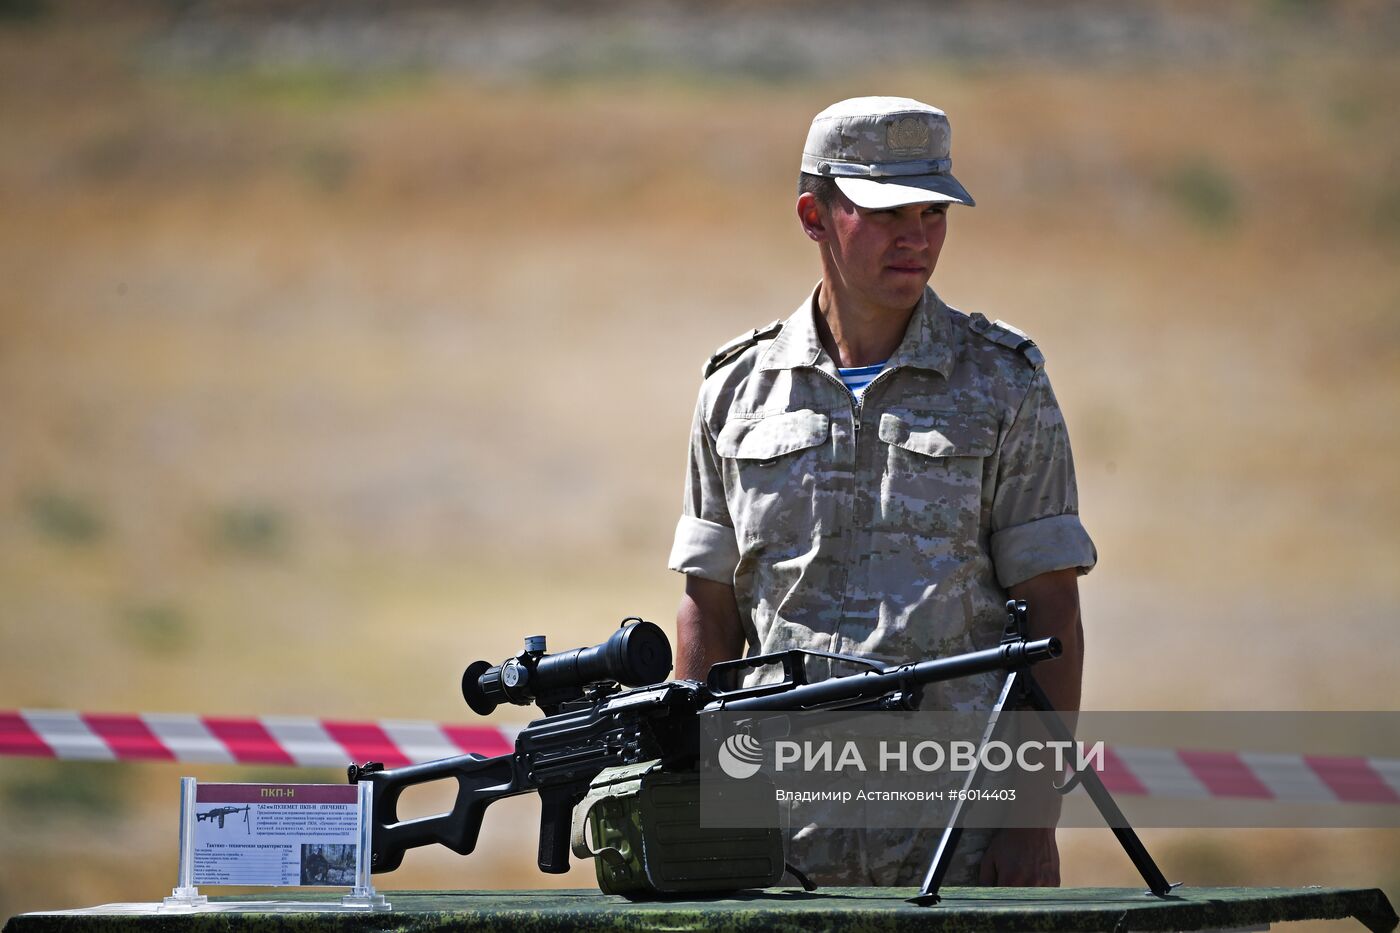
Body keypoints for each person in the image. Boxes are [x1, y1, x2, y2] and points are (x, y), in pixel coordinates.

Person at [667, 97, 1097, 886]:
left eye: (934, 211)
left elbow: (1053, 610)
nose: (918, 236)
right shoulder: (735, 392)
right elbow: (711, 609)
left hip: (957, 849)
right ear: (814, 215)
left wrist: (1030, 821)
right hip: (781, 850)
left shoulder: (1004, 384)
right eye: (886, 210)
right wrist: (699, 805)